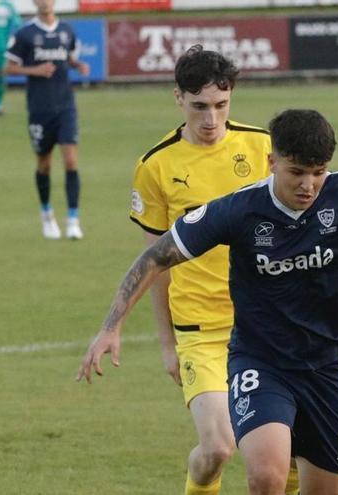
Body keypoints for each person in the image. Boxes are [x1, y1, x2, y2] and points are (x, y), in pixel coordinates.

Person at [78, 109, 338, 495]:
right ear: (272, 162)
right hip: (261, 362)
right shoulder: (238, 210)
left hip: (326, 365)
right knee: (267, 475)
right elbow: (155, 255)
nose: (308, 185)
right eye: (296, 173)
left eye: (318, 172)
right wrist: (111, 327)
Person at [127, 45, 298, 495]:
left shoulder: (263, 148)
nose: (211, 119)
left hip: (264, 325)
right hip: (200, 329)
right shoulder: (155, 166)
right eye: (199, 106)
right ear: (177, 98)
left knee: (291, 458)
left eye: (221, 106)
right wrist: (167, 345)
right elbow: (155, 266)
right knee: (219, 447)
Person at [5, 0, 89, 240]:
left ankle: (73, 220)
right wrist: (35, 70)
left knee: (71, 161)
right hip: (39, 109)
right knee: (44, 164)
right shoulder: (24, 34)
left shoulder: (67, 31)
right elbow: (8, 68)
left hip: (65, 106)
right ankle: (47, 215)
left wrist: (78, 65)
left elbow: (68, 59)